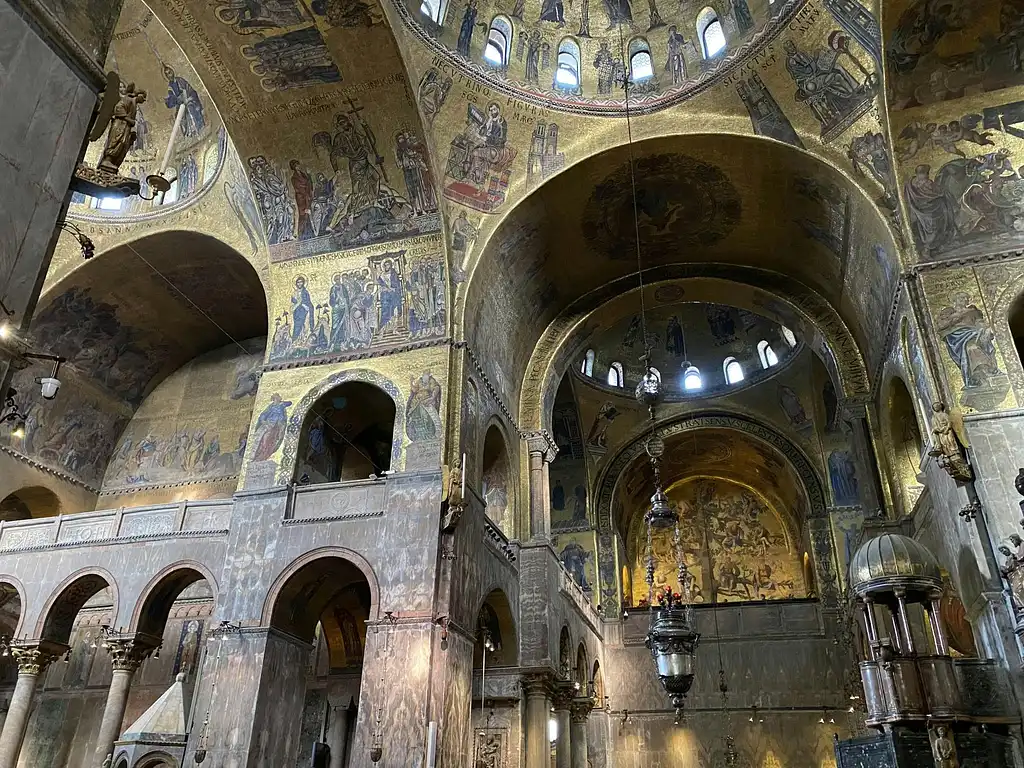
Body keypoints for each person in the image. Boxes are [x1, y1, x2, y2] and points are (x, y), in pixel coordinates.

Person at [99, 84, 148, 174]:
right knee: (116, 140)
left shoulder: (134, 104)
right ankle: (107, 160)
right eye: (144, 97)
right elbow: (118, 108)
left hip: (125, 126)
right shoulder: (128, 99)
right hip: (119, 125)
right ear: (139, 95)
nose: (144, 100)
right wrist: (128, 119)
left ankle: (112, 161)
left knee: (123, 143)